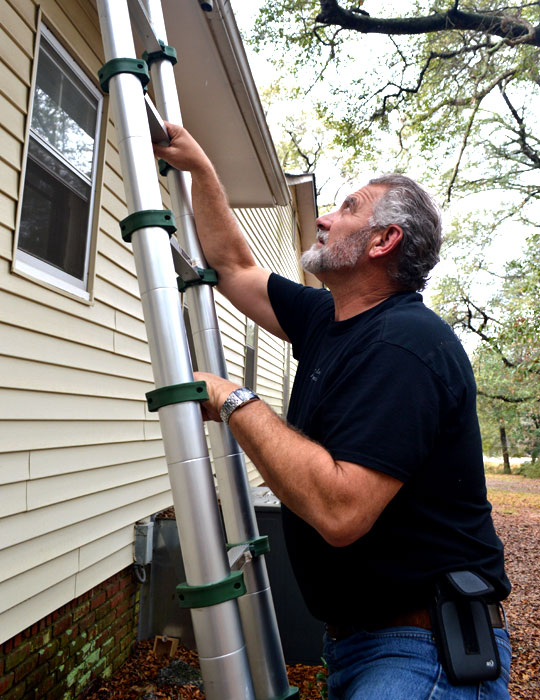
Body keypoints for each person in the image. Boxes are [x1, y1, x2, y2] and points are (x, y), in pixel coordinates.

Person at [154, 124, 512, 700]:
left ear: (381, 241)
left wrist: (234, 400)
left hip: (424, 655)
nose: (323, 217)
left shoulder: (406, 346)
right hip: (362, 646)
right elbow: (233, 267)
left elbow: (341, 510)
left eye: (348, 208)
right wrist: (201, 169)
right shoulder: (330, 319)